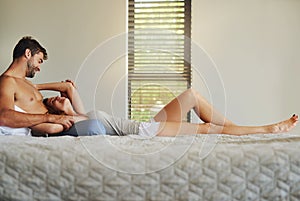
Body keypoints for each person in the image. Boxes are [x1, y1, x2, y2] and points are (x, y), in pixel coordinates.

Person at [41, 80, 299, 137]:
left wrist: (37, 86)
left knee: (192, 95)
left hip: (144, 123)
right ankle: (268, 128)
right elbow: (44, 127)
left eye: (57, 97)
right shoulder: (69, 123)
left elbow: (69, 87)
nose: (59, 97)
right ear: (56, 113)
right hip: (144, 133)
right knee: (208, 129)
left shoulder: (80, 112)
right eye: (55, 100)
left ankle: (235, 130)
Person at [0, 36, 75, 136]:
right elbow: (4, 116)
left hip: (61, 123)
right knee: (95, 124)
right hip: (52, 129)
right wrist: (50, 118)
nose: (39, 68)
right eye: (39, 61)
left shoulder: (28, 84)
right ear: (28, 54)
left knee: (97, 118)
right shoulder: (7, 81)